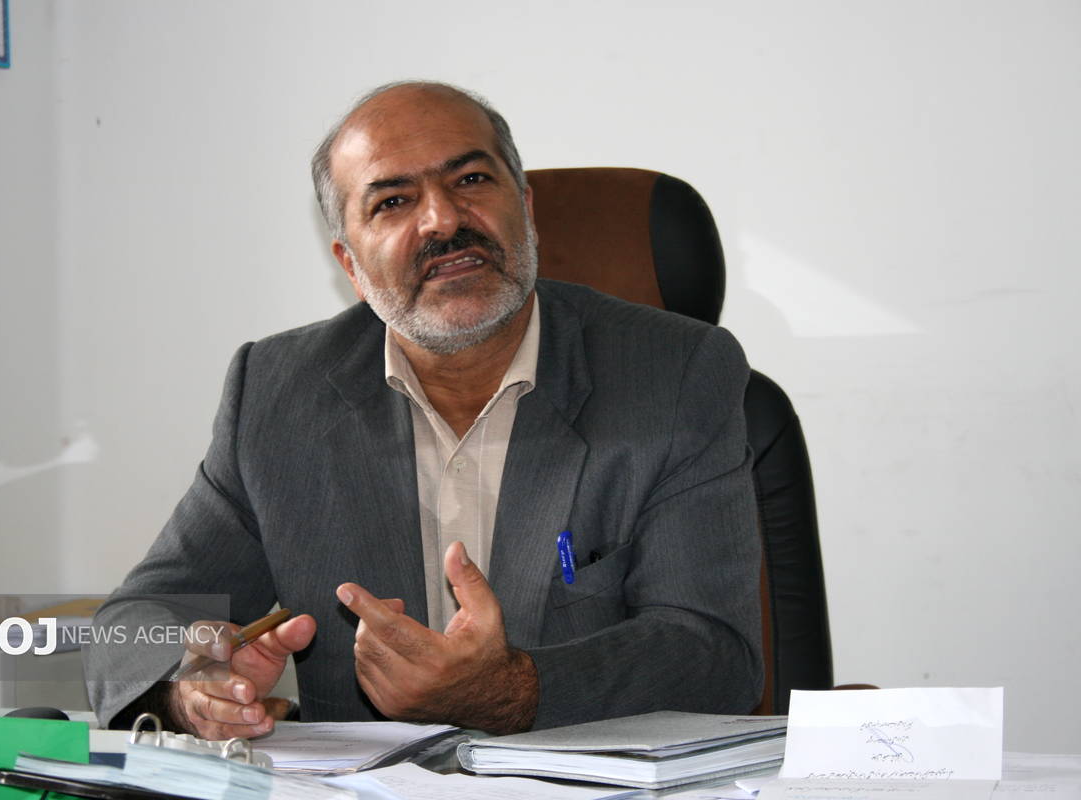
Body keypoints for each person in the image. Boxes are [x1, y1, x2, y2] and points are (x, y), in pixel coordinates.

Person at [85, 81, 763, 740]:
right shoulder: (276, 392)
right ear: (350, 265)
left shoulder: (674, 373)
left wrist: (513, 689)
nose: (443, 220)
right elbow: (134, 623)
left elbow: (714, 655)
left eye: (471, 180)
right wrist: (193, 688)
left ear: (525, 209)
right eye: (393, 201)